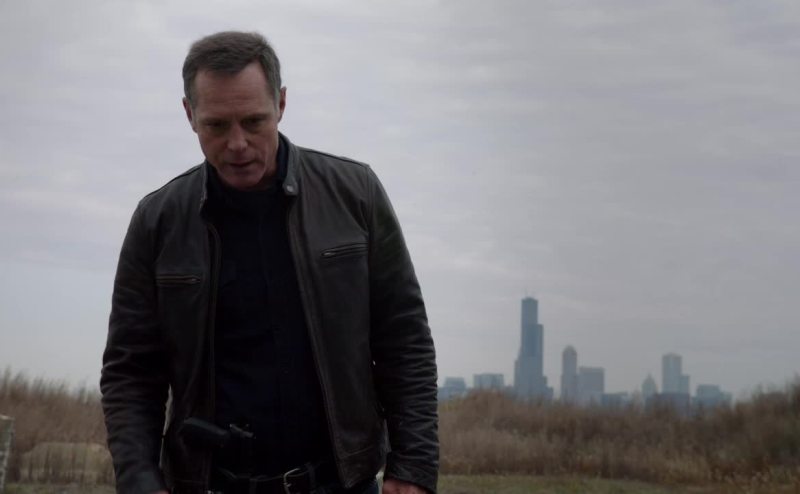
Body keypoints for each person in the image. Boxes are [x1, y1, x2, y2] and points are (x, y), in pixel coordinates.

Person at [100, 31, 438, 494]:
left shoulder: (355, 194)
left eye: (254, 121)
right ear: (189, 115)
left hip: (341, 483)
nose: (237, 143)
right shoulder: (157, 221)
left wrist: (413, 467)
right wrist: (140, 481)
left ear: (280, 104)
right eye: (217, 125)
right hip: (210, 484)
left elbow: (405, 339)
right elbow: (131, 370)